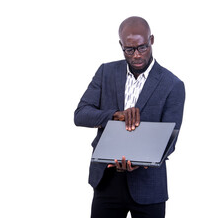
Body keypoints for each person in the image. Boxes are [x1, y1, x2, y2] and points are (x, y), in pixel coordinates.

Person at [74, 16, 185, 218]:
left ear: (151, 40)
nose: (136, 55)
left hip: (149, 186)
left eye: (142, 47)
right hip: (107, 181)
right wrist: (115, 115)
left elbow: (170, 140)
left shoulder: (172, 84)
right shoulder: (106, 72)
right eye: (129, 49)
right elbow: (80, 114)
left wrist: (141, 161)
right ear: (121, 45)